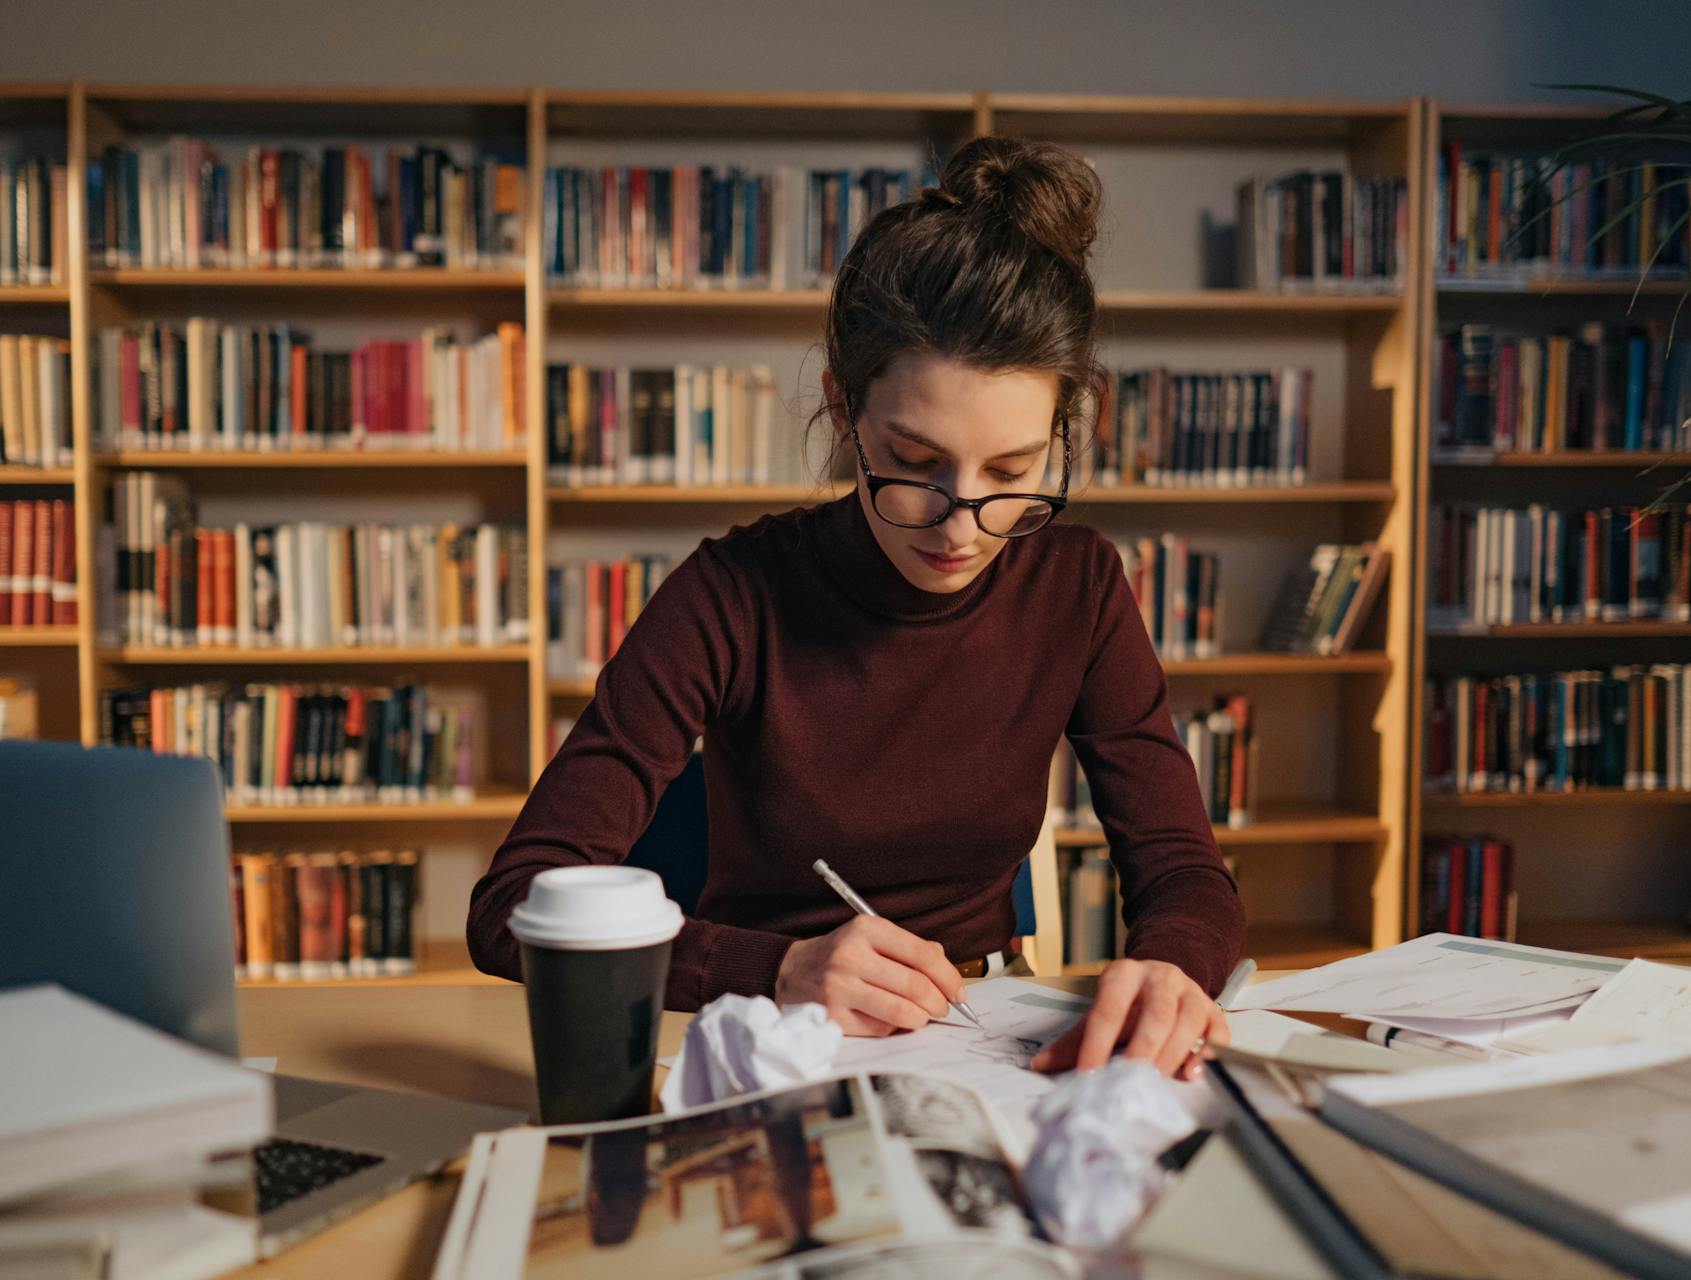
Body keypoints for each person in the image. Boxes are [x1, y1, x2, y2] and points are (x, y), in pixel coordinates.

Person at [470, 135, 1244, 1080]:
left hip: (996, 1039)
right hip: (782, 1045)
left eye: (1012, 471)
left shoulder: (1077, 587)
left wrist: (1173, 968)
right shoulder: (731, 596)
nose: (962, 524)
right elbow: (511, 902)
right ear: (844, 412)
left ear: (1066, 427)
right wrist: (774, 968)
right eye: (916, 465)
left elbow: (1183, 869)